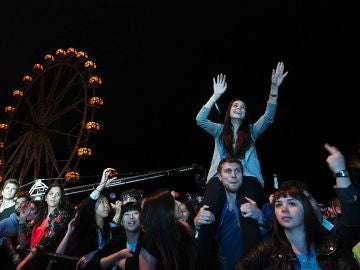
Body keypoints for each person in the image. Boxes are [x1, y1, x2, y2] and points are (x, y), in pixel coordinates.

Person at [233, 184, 358, 269]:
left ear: (305, 209)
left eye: (291, 203)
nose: (284, 209)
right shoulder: (272, 247)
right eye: (278, 204)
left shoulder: (334, 245)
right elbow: (241, 265)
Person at [196, 157, 271, 270]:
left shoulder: (259, 207)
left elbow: (275, 241)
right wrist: (197, 224)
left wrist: (261, 219)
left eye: (237, 171)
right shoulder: (210, 209)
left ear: (243, 175)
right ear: (220, 177)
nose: (233, 175)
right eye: (228, 171)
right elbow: (199, 243)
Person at [56, 168, 121, 269]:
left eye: (106, 202)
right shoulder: (85, 227)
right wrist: (101, 185)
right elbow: (85, 208)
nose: (106, 205)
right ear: (92, 207)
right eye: (101, 202)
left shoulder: (112, 227)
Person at [137, 188, 198, 270]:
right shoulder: (150, 240)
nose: (178, 204)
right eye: (173, 202)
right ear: (164, 208)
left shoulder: (184, 227)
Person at [15, 183, 70, 270]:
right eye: (51, 193)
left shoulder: (62, 215)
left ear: (60, 200)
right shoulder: (40, 216)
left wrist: (22, 264)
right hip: (30, 260)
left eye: (58, 194)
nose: (54, 196)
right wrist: (22, 219)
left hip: (44, 262)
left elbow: (45, 242)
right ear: (45, 197)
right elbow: (22, 244)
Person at [84, 202, 142, 270]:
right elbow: (92, 265)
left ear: (142, 218)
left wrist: (116, 262)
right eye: (127, 214)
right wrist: (117, 256)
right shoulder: (117, 241)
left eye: (135, 213)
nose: (131, 217)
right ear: (122, 221)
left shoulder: (148, 241)